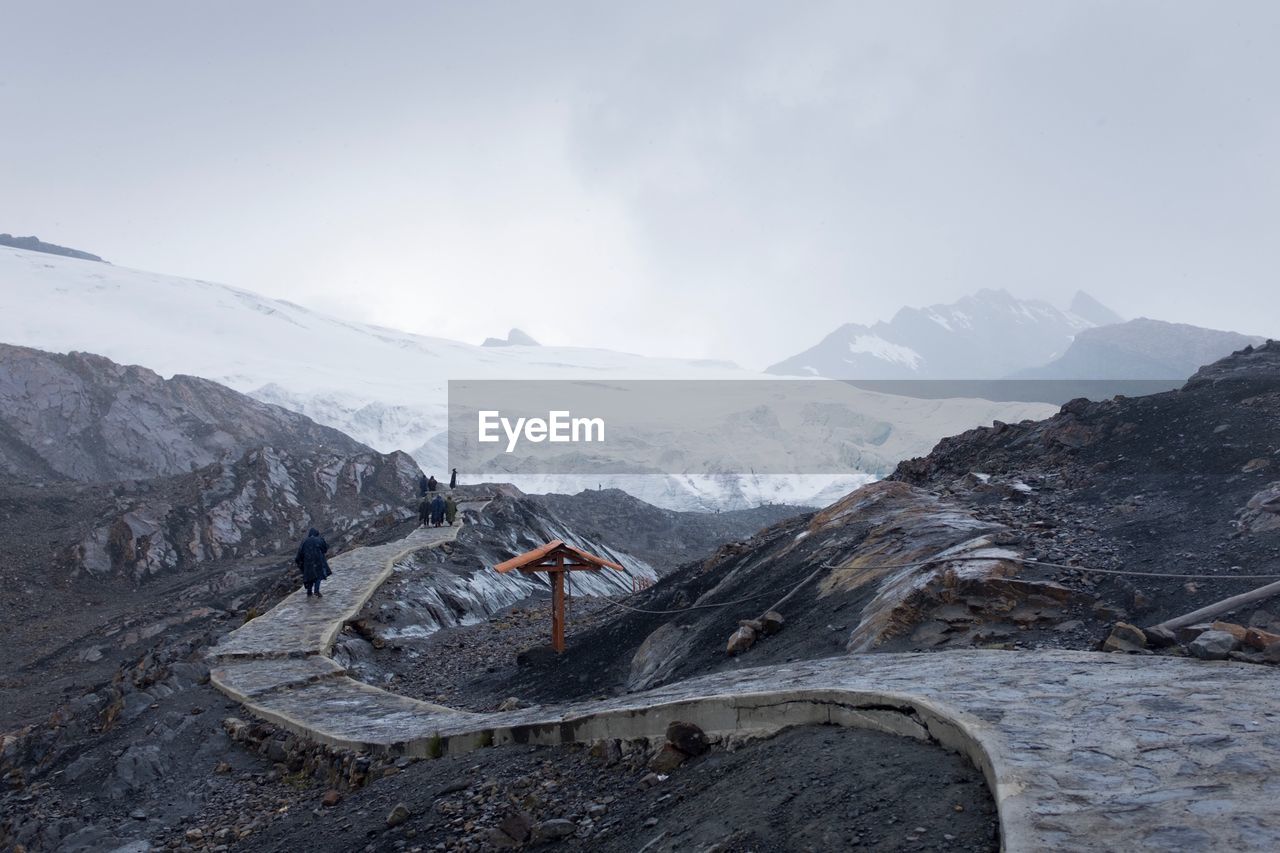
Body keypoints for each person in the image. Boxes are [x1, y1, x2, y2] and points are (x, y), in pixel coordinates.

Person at [294, 527, 331, 598]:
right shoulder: (319, 540)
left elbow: (300, 553)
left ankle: (309, 592)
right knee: (318, 576)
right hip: (318, 561)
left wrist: (299, 562)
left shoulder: (304, 541)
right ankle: (316, 591)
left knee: (310, 577)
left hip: (307, 563)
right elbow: (325, 549)